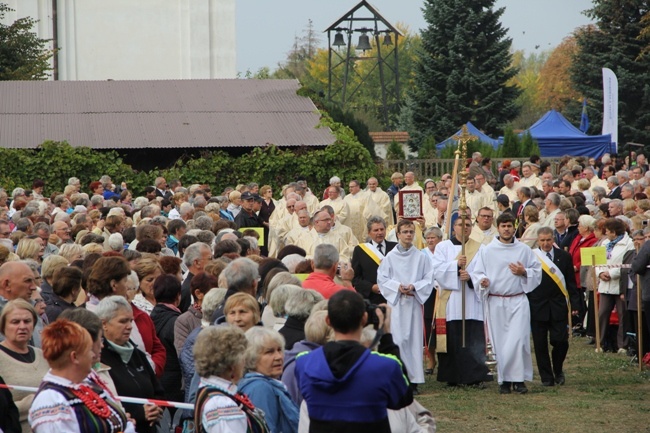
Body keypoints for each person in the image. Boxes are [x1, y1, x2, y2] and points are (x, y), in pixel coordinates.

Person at [295, 290, 413, 433]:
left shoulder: (304, 363)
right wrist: (386, 336)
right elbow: (402, 399)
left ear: (328, 321)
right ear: (364, 319)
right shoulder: (385, 366)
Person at [471, 213, 542, 394]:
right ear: (498, 227)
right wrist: (483, 281)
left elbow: (537, 271)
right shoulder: (487, 250)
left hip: (517, 300)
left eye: (509, 226)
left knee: (518, 340)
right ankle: (504, 380)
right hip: (496, 301)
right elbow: (477, 273)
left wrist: (524, 271)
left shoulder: (524, 250)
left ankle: (518, 380)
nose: (506, 229)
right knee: (500, 343)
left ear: (514, 227)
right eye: (503, 226)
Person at [28, 320, 135, 433]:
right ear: (74, 357)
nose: (93, 355)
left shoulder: (87, 383)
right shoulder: (51, 400)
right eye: (89, 350)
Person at [432, 216, 490, 387]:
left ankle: (475, 376)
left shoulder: (480, 248)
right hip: (451, 300)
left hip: (472, 300)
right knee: (453, 337)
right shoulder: (443, 247)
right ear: (453, 227)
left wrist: (471, 277)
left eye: (468, 225)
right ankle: (453, 376)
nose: (464, 228)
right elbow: (436, 270)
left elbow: (484, 272)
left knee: (472, 337)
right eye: (460, 224)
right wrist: (456, 266)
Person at [377, 219, 434, 388]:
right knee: (399, 340)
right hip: (396, 304)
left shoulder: (420, 257)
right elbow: (382, 279)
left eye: (411, 232)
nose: (408, 235)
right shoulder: (390, 257)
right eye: (405, 232)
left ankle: (414, 380)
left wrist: (414, 287)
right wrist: (397, 287)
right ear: (398, 234)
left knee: (414, 341)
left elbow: (428, 278)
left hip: (413, 303)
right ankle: (400, 378)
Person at [96, 296, 164, 433]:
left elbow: (158, 391)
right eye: (123, 321)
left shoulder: (137, 354)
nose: (129, 326)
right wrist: (138, 413)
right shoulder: (97, 358)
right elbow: (98, 402)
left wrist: (155, 408)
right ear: (104, 324)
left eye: (131, 321)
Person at [192, 326, 270, 433]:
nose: (244, 363)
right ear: (232, 363)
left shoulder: (211, 389)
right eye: (242, 357)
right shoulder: (220, 403)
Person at [528, 227, 580, 386]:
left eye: (548, 240)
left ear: (553, 240)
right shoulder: (531, 257)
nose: (545, 243)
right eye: (542, 240)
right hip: (538, 305)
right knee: (540, 344)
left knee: (560, 341)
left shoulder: (564, 256)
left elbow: (571, 282)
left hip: (558, 305)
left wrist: (575, 303)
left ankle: (558, 369)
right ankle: (546, 377)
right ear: (538, 240)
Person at [0, 299, 49, 432]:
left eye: (27, 321)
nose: (22, 326)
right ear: (3, 326)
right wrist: (33, 401)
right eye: (15, 322)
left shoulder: (43, 355)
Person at [238, 327, 299, 433]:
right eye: (269, 352)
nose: (278, 357)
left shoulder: (269, 384)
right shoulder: (260, 388)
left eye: (279, 350)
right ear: (252, 357)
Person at [596, 218, 634, 353]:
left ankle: (622, 345)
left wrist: (611, 273)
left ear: (614, 231)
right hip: (605, 285)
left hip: (619, 285)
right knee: (602, 313)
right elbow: (597, 261)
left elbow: (627, 265)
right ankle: (600, 342)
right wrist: (600, 273)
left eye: (607, 230)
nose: (605, 232)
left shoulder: (629, 244)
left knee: (622, 314)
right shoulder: (605, 243)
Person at [150, 274, 184, 404]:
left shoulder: (150, 317)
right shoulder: (177, 322)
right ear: (178, 296)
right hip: (174, 384)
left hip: (157, 379)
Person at [351, 216, 396, 305]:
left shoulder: (395, 247)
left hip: (393, 297)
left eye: (382, 229)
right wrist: (371, 287)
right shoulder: (360, 250)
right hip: (371, 299)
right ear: (369, 233)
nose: (380, 233)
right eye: (376, 230)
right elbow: (356, 278)